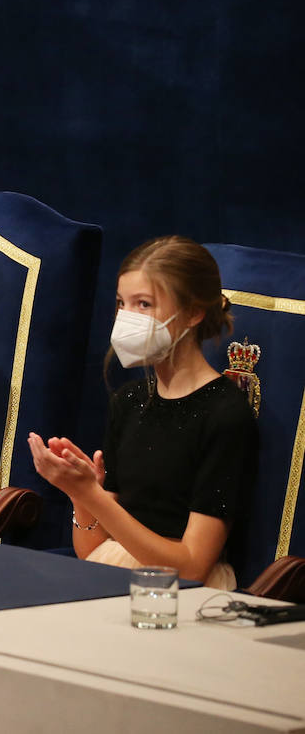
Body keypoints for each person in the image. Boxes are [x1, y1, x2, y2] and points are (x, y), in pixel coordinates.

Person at [28, 236, 255, 587]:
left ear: (194, 312)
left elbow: (193, 566)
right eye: (122, 304)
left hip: (183, 589)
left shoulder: (224, 413)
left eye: (144, 304)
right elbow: (91, 550)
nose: (127, 319)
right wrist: (80, 495)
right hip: (115, 572)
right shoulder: (129, 400)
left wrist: (92, 496)